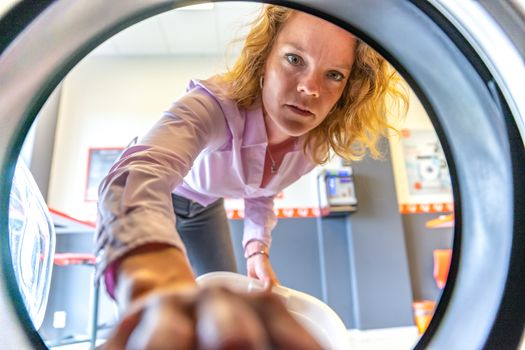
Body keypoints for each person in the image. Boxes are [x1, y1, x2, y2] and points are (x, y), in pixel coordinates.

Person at [96, 4, 407, 349]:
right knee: (151, 311)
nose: (310, 88)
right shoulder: (213, 105)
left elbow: (262, 190)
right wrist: (155, 275)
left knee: (224, 294)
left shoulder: (313, 146)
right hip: (161, 197)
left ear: (348, 89)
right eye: (294, 59)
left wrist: (256, 249)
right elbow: (139, 172)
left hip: (204, 207)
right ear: (264, 58)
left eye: (333, 74)